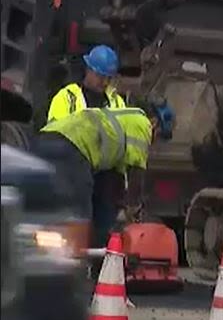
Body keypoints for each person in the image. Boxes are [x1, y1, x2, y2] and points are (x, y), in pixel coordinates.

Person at [32, 100, 174, 226]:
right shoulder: (142, 124)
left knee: (47, 203)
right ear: (154, 122)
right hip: (74, 145)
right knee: (80, 209)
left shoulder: (123, 121)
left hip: (46, 137)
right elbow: (136, 172)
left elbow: (115, 180)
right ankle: (77, 252)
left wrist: (119, 204)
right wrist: (134, 207)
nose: (153, 143)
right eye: (158, 136)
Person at [47, 44, 128, 249]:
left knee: (103, 228)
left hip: (104, 175)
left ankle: (98, 265)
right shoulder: (67, 98)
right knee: (76, 222)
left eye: (108, 77)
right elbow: (55, 135)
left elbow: (122, 137)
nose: (104, 82)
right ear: (88, 70)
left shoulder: (117, 102)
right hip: (74, 172)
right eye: (100, 75)